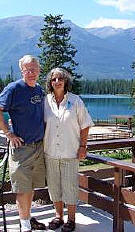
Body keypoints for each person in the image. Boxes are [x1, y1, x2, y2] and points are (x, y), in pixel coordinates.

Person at [0, 55, 46, 232]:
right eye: (27, 70)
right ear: (22, 71)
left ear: (39, 70)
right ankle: (24, 226)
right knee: (22, 189)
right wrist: (8, 133)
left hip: (39, 146)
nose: (31, 73)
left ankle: (28, 219)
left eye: (34, 69)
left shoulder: (38, 89)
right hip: (21, 148)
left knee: (31, 187)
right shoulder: (14, 88)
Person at [44, 68, 94, 232]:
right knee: (54, 187)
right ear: (50, 83)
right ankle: (58, 216)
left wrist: (82, 146)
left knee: (70, 187)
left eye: (60, 79)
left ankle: (71, 220)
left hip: (70, 153)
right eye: (53, 79)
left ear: (66, 81)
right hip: (50, 152)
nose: (57, 82)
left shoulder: (75, 101)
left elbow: (85, 125)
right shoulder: (46, 102)